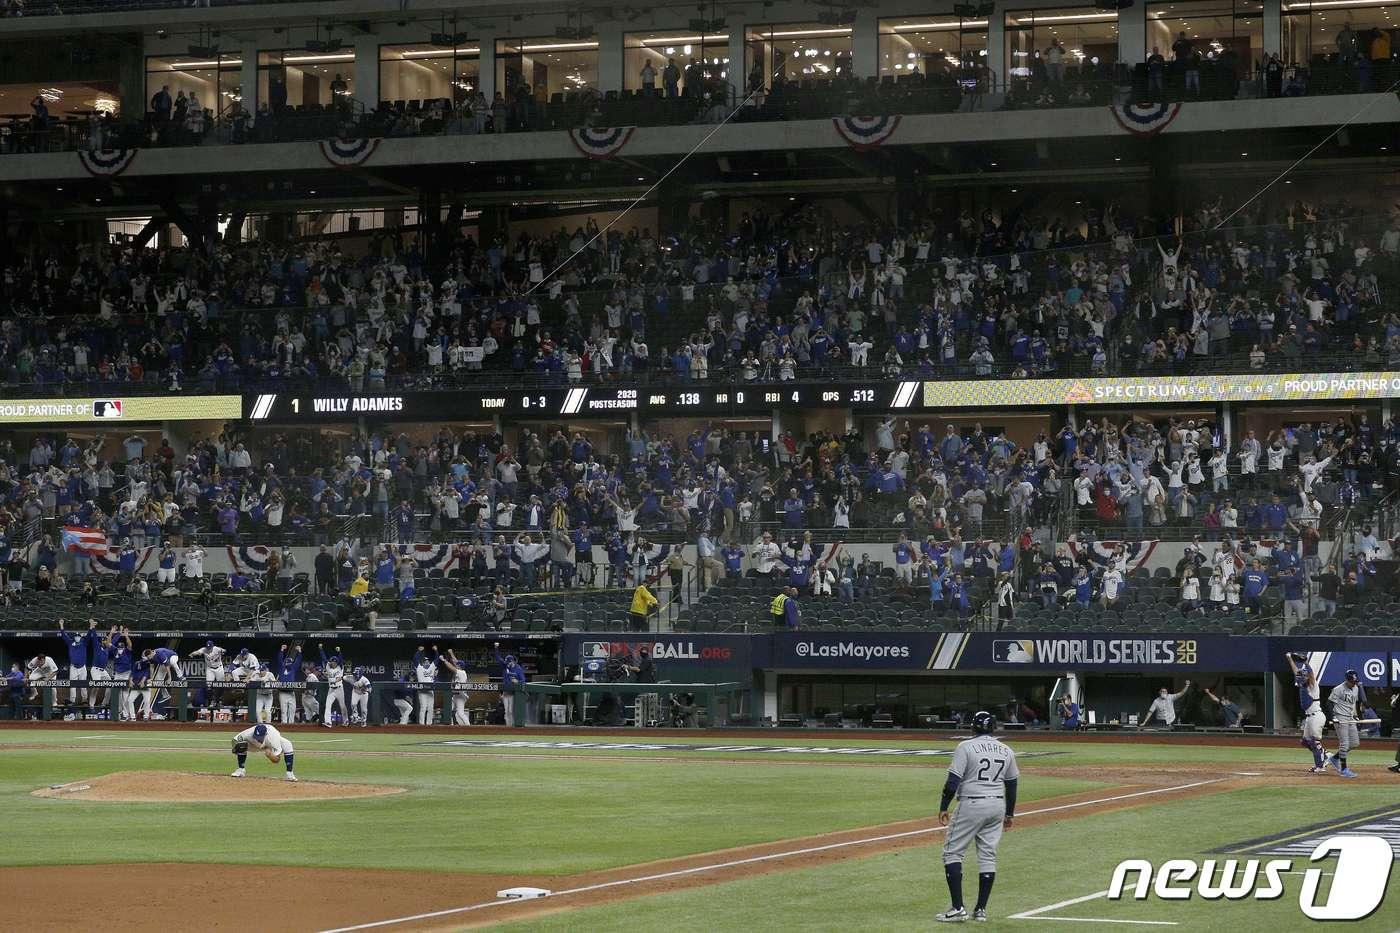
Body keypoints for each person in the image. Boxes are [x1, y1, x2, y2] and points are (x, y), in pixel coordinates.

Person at [936, 711, 1018, 923]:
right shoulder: (1006, 750)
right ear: (993, 728)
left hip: (972, 803)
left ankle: (957, 908)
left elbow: (953, 782)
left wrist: (944, 806)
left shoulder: (965, 747)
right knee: (988, 855)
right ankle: (980, 909)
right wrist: (1010, 812)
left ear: (973, 727)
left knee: (952, 853)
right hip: (997, 804)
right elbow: (1012, 785)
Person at [1285, 652, 1328, 773]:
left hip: (1317, 716)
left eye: (1303, 676)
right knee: (1305, 742)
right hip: (1309, 717)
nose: (1301, 677)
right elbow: (1296, 672)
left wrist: (1305, 662)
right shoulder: (1303, 684)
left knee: (1315, 741)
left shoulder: (1313, 685)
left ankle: (1320, 766)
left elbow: (1312, 674)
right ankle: (1323, 754)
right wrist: (1289, 659)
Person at [1325, 669, 1363, 778]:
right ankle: (1344, 769)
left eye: (1355, 682)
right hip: (1340, 718)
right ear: (1347, 680)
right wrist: (1333, 717)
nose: (1353, 684)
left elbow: (1353, 704)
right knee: (1344, 743)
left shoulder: (1355, 688)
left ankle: (1335, 758)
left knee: (1355, 743)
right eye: (1351, 681)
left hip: (1350, 718)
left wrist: (1355, 715)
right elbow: (1329, 703)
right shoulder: (1338, 689)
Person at [229, 721, 297, 782]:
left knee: (287, 744)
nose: (258, 739)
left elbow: (277, 760)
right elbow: (234, 740)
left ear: (265, 734)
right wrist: (235, 749)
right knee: (242, 745)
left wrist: (270, 755)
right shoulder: (248, 733)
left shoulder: (274, 738)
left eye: (260, 737)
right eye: (257, 737)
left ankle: (289, 773)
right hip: (253, 745)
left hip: (269, 744)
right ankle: (241, 769)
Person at [495, 642, 527, 725]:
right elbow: (498, 658)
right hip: (505, 692)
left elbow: (523, 680)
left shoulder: (518, 669)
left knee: (511, 711)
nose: (507, 663)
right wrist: (496, 648)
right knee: (506, 711)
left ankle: (513, 726)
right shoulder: (505, 665)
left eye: (508, 662)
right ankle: (508, 727)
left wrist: (517, 681)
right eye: (506, 662)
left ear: (512, 661)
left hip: (513, 693)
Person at [438, 649, 473, 726]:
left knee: (460, 713)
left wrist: (443, 660)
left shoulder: (461, 673)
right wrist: (451, 653)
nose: (455, 664)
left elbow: (451, 667)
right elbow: (455, 661)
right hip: (456, 694)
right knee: (449, 710)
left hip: (461, 695)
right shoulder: (460, 670)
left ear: (460, 666)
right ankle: (451, 725)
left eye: (457, 665)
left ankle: (469, 727)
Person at [319, 643, 346, 727]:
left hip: (339, 689)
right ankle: (328, 722)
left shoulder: (340, 667)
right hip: (331, 689)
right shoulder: (328, 667)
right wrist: (321, 650)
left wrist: (339, 652)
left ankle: (346, 721)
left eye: (333, 662)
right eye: (331, 661)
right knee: (328, 705)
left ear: (336, 662)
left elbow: (341, 660)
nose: (331, 663)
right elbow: (324, 659)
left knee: (342, 706)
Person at [275, 643, 301, 725]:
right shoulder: (282, 668)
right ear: (285, 663)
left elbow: (298, 661)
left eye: (289, 663)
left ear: (291, 663)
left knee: (292, 710)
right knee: (284, 710)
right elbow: (279, 659)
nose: (288, 664)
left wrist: (299, 652)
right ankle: (284, 725)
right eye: (287, 663)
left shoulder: (293, 668)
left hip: (291, 692)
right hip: (282, 692)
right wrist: (281, 650)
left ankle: (291, 725)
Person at [414, 645, 439, 725]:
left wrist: (436, 651)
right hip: (422, 690)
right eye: (425, 661)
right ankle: (421, 724)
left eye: (428, 661)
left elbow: (437, 659)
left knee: (430, 708)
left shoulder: (432, 667)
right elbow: (415, 659)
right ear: (422, 662)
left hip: (430, 690)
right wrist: (419, 651)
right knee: (423, 707)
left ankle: (429, 724)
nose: (427, 662)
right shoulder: (419, 668)